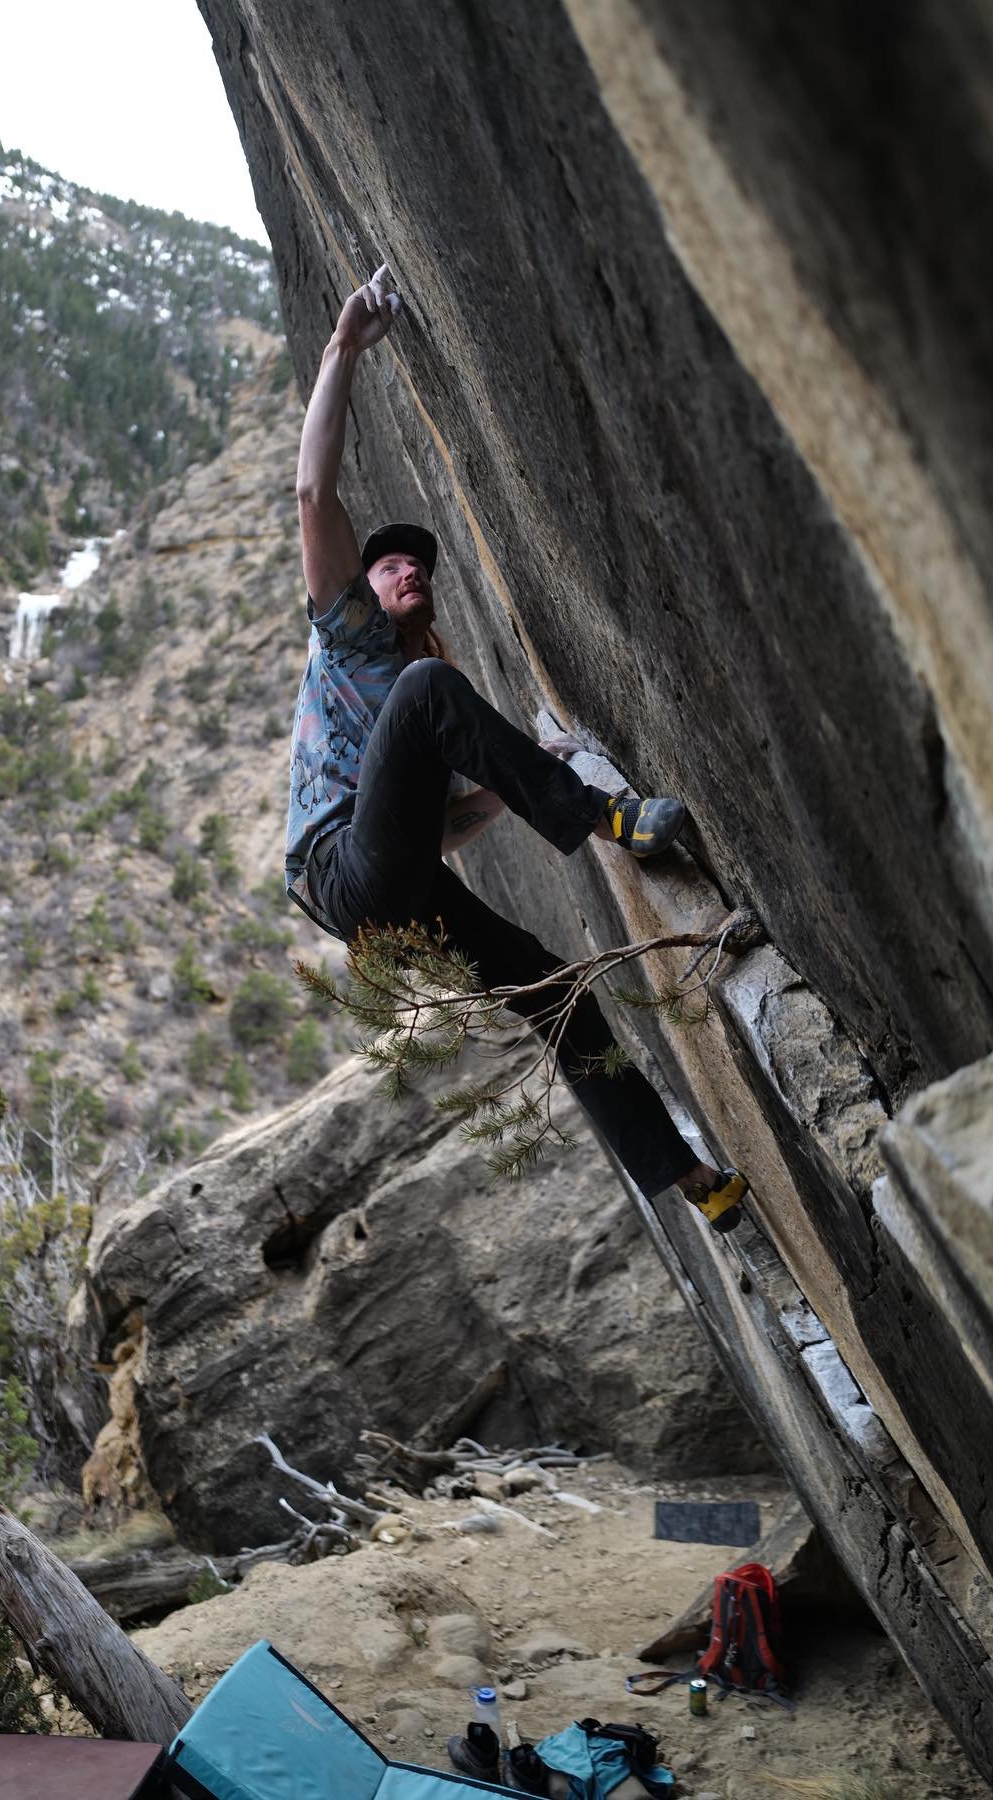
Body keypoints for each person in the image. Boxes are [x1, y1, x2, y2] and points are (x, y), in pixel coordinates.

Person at [284, 262, 748, 1232]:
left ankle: (686, 1180)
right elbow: (311, 489)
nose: (406, 566)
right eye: (387, 562)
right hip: (340, 872)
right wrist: (340, 349)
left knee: (544, 981)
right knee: (426, 690)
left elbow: (436, 829)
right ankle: (608, 817)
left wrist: (512, 781)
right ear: (358, 588)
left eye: (417, 561)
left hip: (389, 899)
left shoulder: (421, 707)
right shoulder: (348, 636)